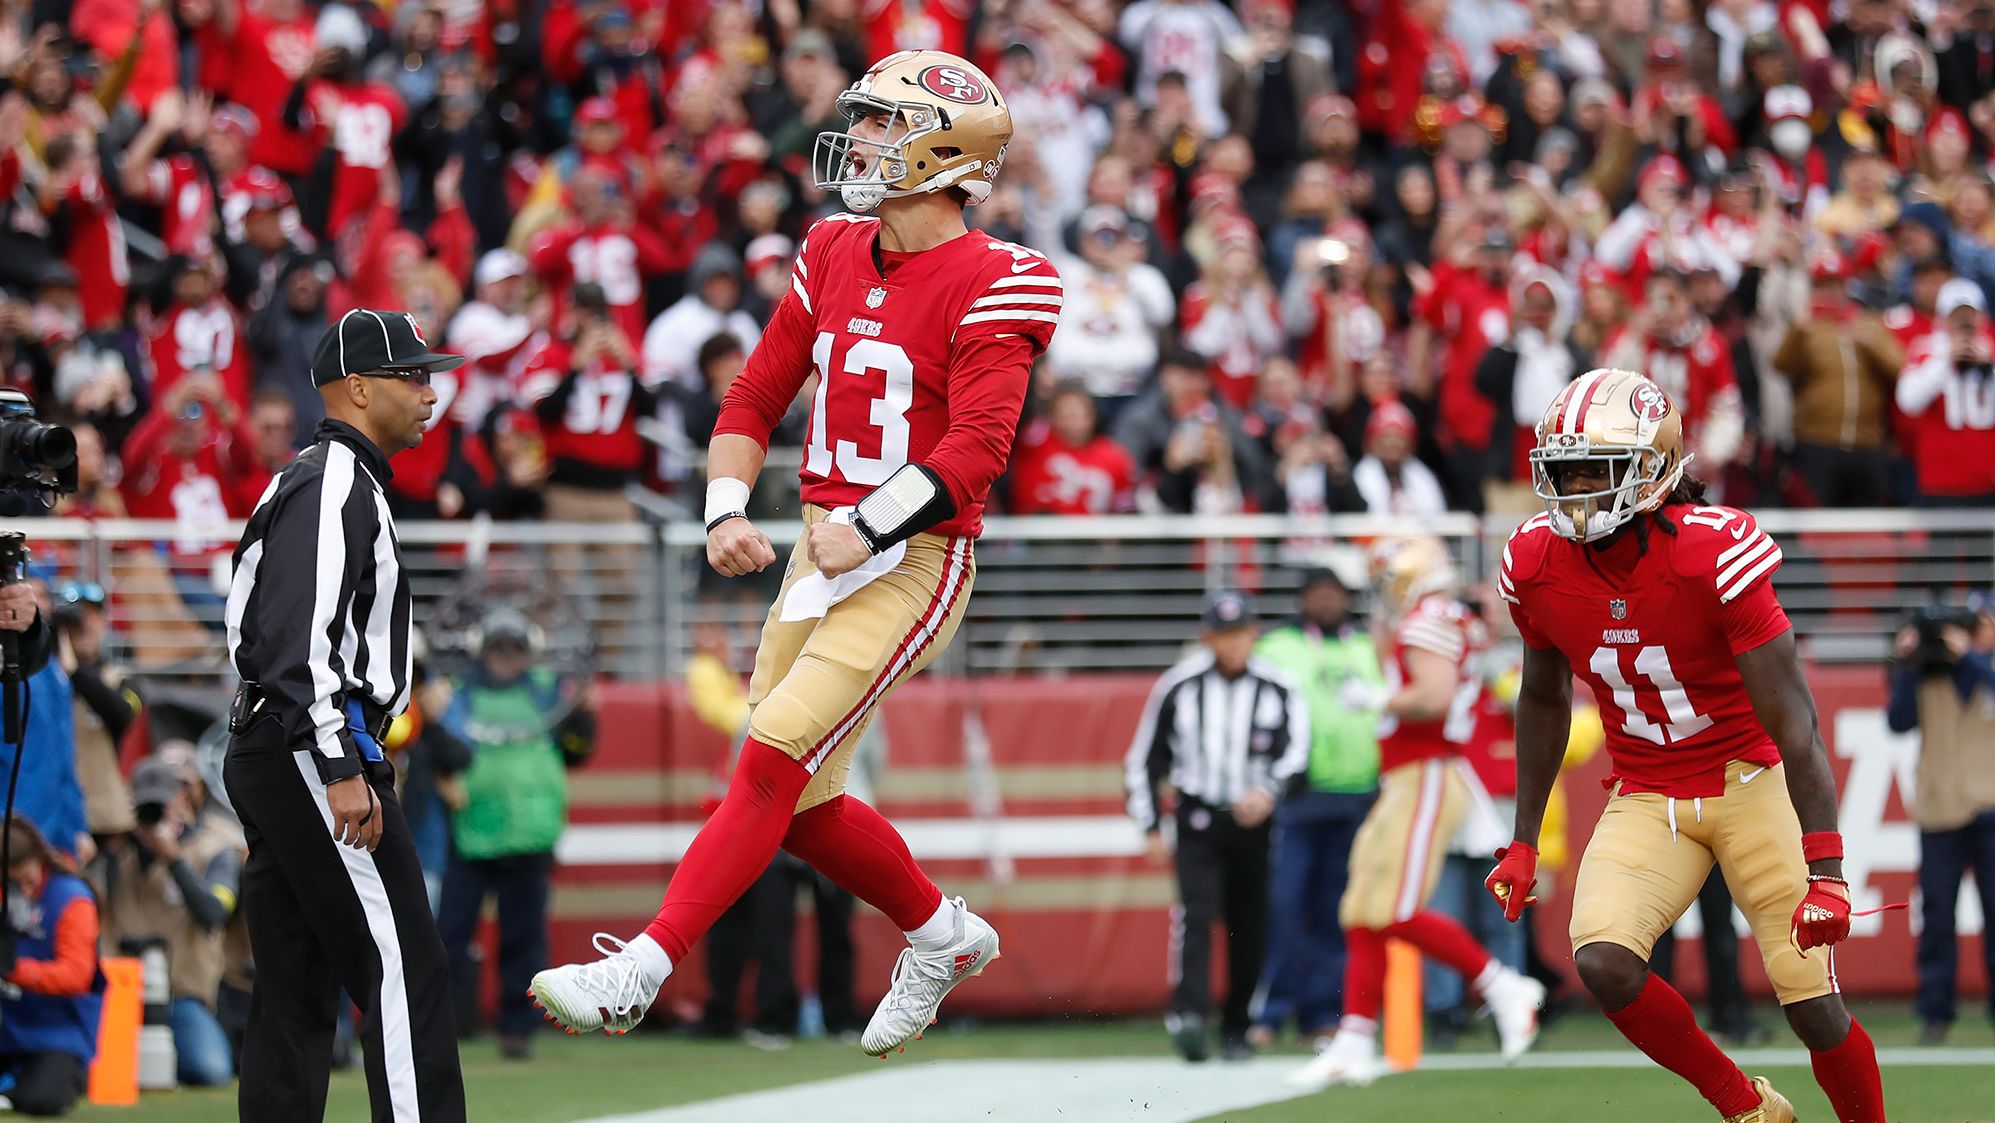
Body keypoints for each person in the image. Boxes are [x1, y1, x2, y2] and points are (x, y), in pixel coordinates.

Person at [529, 50, 1055, 1060]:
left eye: (880, 125)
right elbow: (755, 394)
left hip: (914, 562)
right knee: (798, 802)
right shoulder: (829, 249)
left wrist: (871, 524)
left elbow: (978, 449)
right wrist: (726, 506)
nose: (856, 140)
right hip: (821, 556)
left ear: (941, 152)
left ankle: (641, 965)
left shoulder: (1001, 278)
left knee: (770, 759)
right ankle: (943, 933)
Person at [1487, 368, 1884, 1122]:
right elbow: (1541, 696)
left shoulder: (1713, 553)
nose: (1574, 489)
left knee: (1810, 1005)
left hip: (1748, 782)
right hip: (1646, 789)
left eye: (1594, 471)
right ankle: (1748, 1108)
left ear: (1652, 469)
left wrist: (1826, 869)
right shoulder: (1534, 562)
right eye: (1562, 470)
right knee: (1602, 960)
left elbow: (1793, 722)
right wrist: (1522, 840)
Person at [222, 309, 466, 1123]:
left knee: (293, 986)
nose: (431, 392)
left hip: (281, 739)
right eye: (413, 376)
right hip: (311, 743)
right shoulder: (332, 479)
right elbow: (299, 636)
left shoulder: (335, 479)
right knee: (404, 967)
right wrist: (337, 761)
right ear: (358, 388)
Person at [1290, 537, 1545, 1089]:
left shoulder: (1431, 616)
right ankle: (1355, 1040)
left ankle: (1503, 985)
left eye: (1386, 580)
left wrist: (1378, 699)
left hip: (1428, 773)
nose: (1381, 595)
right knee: (1362, 908)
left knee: (1396, 908)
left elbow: (1432, 695)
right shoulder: (1438, 616)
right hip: (1407, 777)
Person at [1126, 589, 1308, 1061]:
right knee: (1196, 915)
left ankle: (1237, 1027)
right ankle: (1189, 1015)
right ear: (1207, 637)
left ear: (1254, 634)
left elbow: (1298, 753)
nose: (1232, 645)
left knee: (1250, 925)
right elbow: (1144, 758)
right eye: (1223, 635)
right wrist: (1148, 824)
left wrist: (1268, 792)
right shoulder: (1180, 686)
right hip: (1198, 818)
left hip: (1253, 824)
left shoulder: (1277, 686)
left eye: (1240, 634)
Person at [435, 608, 593, 1062]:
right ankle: (442, 1028)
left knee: (523, 939)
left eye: (514, 649)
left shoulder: (549, 694)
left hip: (530, 835)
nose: (505, 658)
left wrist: (583, 717)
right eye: (497, 649)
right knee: (449, 937)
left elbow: (578, 749)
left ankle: (518, 1029)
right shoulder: (457, 698)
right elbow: (444, 750)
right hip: (470, 833)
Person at [1248, 566, 1380, 1049]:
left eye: (1334, 593)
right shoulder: (1278, 646)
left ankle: (1322, 1014)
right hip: (1299, 797)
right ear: (1303, 598)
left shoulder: (1365, 646)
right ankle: (1272, 1009)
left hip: (1357, 794)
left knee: (1336, 912)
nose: (1326, 601)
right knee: (1285, 905)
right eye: (1317, 593)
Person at [1885, 599, 1995, 1044]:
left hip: (1989, 805)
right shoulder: (1925, 673)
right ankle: (1935, 1011)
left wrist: (1966, 654)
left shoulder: (1980, 668)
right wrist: (1908, 661)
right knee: (1936, 917)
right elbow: (1897, 720)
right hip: (1939, 809)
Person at [98, 756, 245, 1086]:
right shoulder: (118, 853)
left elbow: (215, 913)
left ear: (181, 799)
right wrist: (113, 835)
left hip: (182, 993)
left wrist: (172, 858)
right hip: (121, 993)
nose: (154, 817)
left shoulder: (213, 850)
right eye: (146, 808)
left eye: (160, 805)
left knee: (209, 1070)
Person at [0, 815, 102, 1118]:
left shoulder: (72, 899)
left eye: (27, 879)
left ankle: (14, 1089)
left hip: (57, 1031)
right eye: (13, 881)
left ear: (39, 859)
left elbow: (77, 975)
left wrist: (16, 971)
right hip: (8, 1025)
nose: (24, 889)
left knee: (44, 1099)